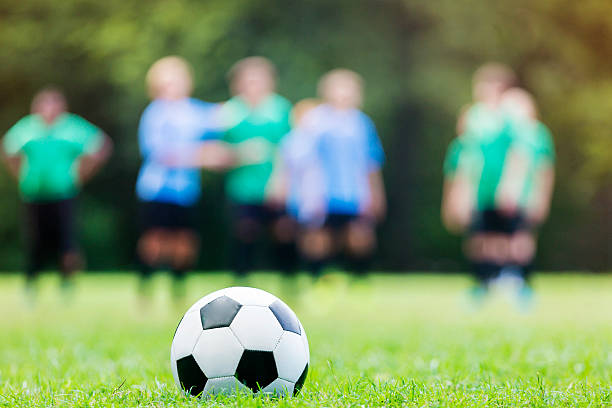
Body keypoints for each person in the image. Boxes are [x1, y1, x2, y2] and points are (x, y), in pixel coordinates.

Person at [136, 56, 233, 300]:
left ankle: (177, 292)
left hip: (186, 190)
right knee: (156, 239)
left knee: (185, 241)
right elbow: (161, 155)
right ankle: (145, 288)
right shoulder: (155, 114)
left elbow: (227, 115)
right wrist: (204, 157)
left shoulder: (194, 111)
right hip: (157, 189)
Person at [1, 87, 112, 296]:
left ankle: (67, 283)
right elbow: (7, 149)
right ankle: (31, 283)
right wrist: (20, 175)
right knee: (34, 242)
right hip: (34, 194)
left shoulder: (71, 127)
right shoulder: (28, 128)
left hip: (63, 194)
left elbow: (100, 146)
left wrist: (81, 174)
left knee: (67, 242)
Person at [295, 69, 386, 277]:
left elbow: (371, 162)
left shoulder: (362, 123)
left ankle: (359, 278)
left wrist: (376, 194)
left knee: (359, 237)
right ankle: (316, 277)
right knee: (319, 237)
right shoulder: (316, 120)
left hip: (354, 192)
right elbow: (304, 159)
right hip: (322, 192)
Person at [442, 63, 520, 298]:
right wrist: (459, 194)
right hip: (478, 190)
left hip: (501, 189)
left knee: (502, 237)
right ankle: (482, 282)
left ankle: (506, 278)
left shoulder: (510, 118)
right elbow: (465, 157)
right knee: (478, 237)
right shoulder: (473, 116)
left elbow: (518, 155)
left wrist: (511, 186)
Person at [220, 57, 295, 277]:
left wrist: (282, 180)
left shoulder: (281, 109)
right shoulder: (229, 113)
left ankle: (289, 279)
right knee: (245, 231)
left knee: (283, 232)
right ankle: (241, 278)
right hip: (242, 186)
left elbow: (290, 149)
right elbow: (216, 152)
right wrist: (241, 153)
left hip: (275, 183)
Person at [496, 88, 555, 289]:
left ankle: (519, 279)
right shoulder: (509, 136)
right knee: (506, 238)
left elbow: (542, 169)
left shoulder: (534, 134)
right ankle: (504, 276)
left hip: (525, 195)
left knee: (521, 238)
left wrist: (539, 196)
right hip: (513, 194)